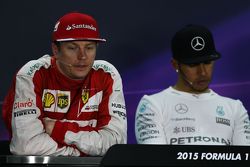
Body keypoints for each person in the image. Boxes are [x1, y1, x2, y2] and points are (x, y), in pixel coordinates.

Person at [2, 12, 127, 156]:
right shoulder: (32, 74)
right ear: (56, 50)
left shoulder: (107, 75)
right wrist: (83, 154)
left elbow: (116, 144)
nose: (83, 56)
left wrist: (57, 129)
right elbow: (26, 147)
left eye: (89, 47)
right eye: (73, 48)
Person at [135, 24, 250, 145]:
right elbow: (156, 160)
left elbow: (244, 160)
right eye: (193, 64)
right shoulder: (152, 105)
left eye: (207, 62)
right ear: (175, 64)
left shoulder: (235, 109)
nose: (203, 72)